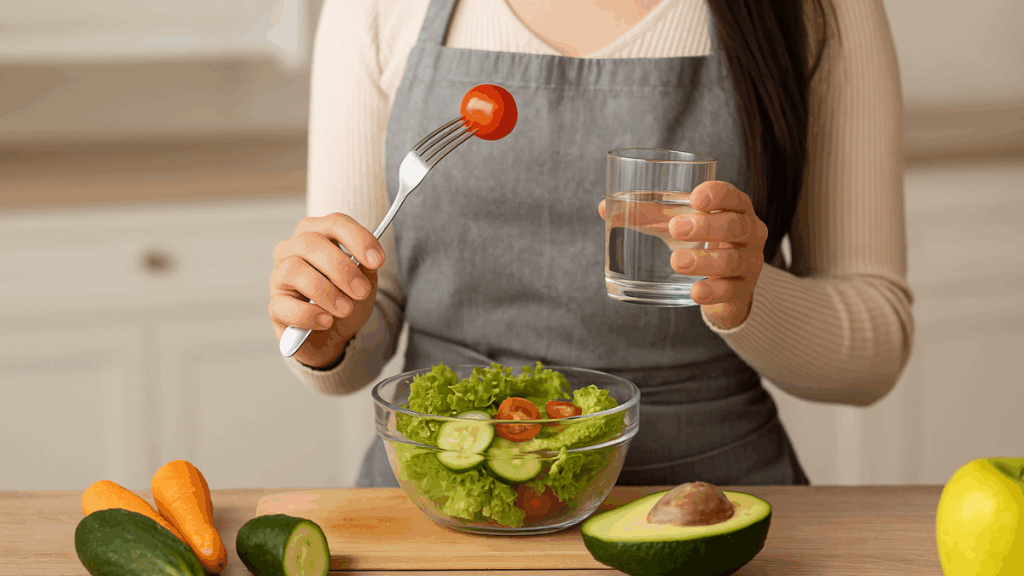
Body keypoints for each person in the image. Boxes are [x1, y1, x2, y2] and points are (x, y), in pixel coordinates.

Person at [268, 0, 914, 487]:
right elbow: (363, 322)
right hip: (446, 491)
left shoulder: (821, 11)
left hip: (709, 501)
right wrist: (330, 331)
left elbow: (876, 348)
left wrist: (749, 294)